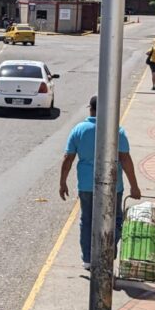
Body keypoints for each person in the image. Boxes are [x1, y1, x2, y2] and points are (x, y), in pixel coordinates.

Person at [59, 95, 141, 270]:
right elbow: (125, 160)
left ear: (91, 109)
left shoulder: (78, 129)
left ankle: (88, 259)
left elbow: (68, 158)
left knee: (87, 220)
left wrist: (62, 183)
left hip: (86, 185)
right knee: (115, 220)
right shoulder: (117, 131)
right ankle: (107, 253)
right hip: (113, 185)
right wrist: (134, 186)